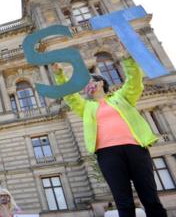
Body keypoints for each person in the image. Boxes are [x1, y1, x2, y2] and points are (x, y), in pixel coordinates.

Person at [52, 50, 167, 217]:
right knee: (123, 201)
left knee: (150, 198)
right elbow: (70, 97)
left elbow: (134, 82)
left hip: (135, 149)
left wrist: (127, 58)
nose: (87, 85)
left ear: (100, 83)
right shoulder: (86, 107)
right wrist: (59, 75)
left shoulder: (121, 97)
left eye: (90, 81)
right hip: (107, 154)